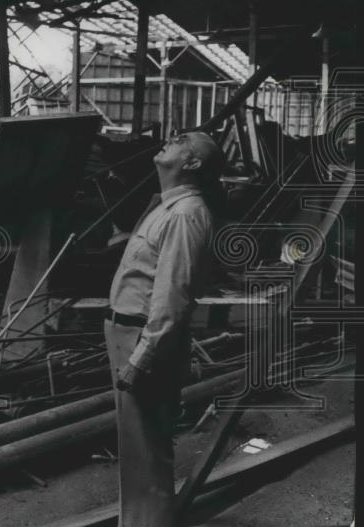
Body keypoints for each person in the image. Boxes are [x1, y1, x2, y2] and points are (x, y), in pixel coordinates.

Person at [105, 130, 224, 527]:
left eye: (181, 140)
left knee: (148, 453)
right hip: (129, 333)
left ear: (192, 164)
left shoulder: (186, 214)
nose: (170, 139)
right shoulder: (166, 208)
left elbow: (173, 298)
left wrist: (142, 358)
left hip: (143, 338)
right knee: (137, 453)